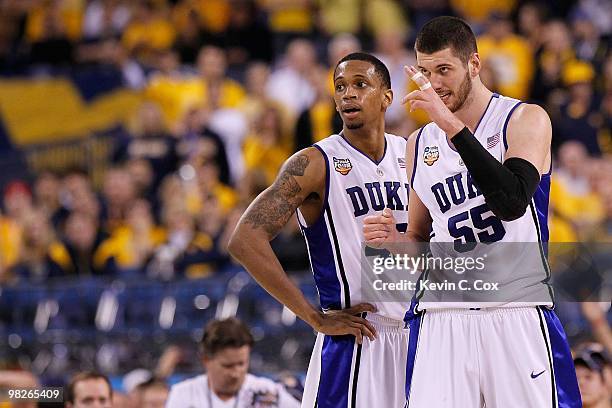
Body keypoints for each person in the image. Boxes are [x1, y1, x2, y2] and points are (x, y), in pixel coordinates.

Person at [363, 16, 581, 407]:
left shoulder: (524, 119)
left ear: (474, 65)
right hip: (443, 314)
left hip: (514, 308)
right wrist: (396, 242)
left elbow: (512, 203)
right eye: (425, 72)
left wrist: (451, 126)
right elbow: (418, 238)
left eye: (444, 70)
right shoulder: (419, 143)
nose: (433, 84)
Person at [229, 52, 411, 408]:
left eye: (361, 84)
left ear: (387, 97)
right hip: (359, 337)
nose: (347, 94)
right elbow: (244, 240)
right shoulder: (313, 163)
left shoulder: (411, 155)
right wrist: (313, 317)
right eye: (340, 87)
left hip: (418, 335)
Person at [165, 318, 300, 407]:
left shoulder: (266, 391)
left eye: (241, 363)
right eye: (227, 366)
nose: (236, 373)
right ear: (206, 360)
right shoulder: (184, 394)